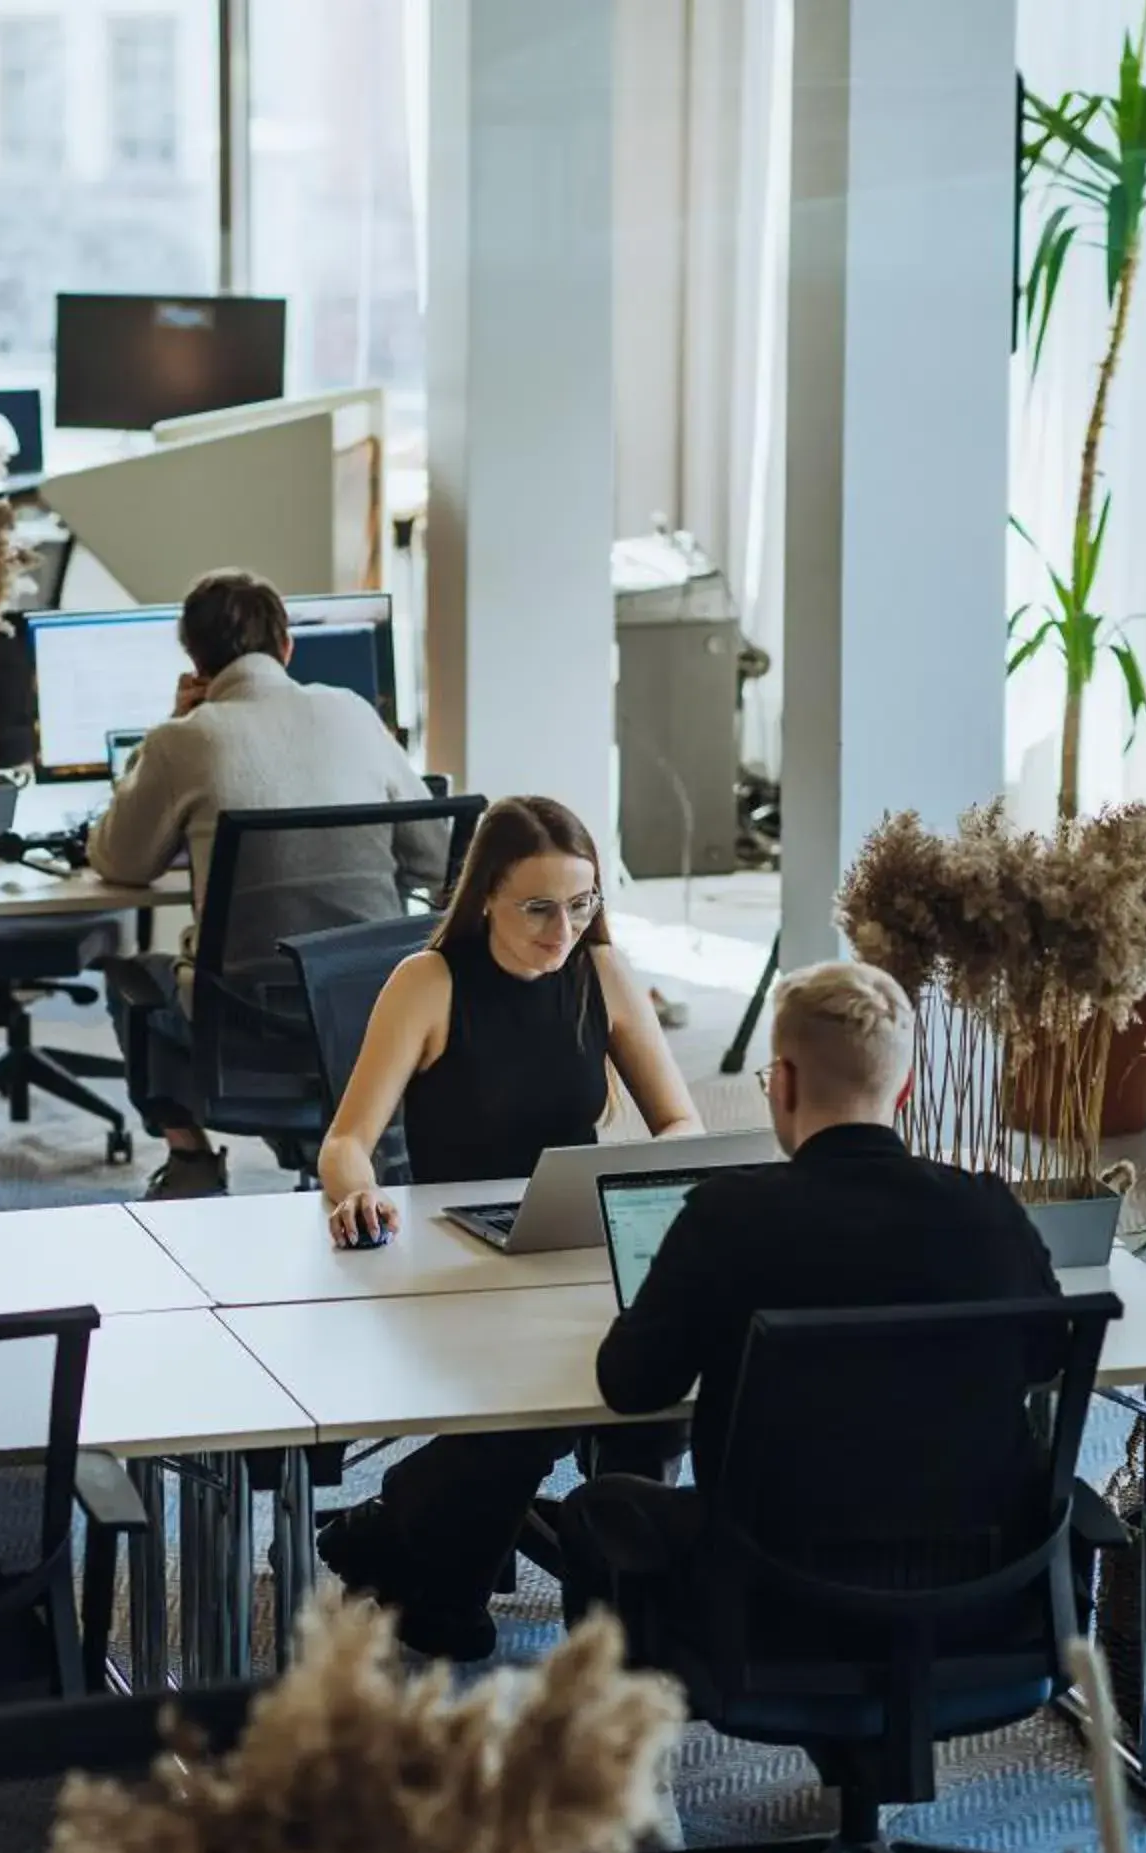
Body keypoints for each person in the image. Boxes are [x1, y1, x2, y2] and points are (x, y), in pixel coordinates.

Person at [307, 796, 704, 1658]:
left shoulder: (601, 974)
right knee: (453, 1618)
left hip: (577, 1243)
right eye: (539, 907)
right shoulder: (429, 982)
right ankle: (408, 1528)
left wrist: (646, 1179)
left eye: (583, 904)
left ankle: (607, 1610)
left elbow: (680, 1125)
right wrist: (355, 1193)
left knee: (659, 1391)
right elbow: (345, 1141)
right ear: (486, 894)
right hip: (460, 1258)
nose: (563, 929)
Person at [571, 960, 1062, 1604]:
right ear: (906, 1089)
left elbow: (631, 1386)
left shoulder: (728, 1216)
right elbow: (1048, 1356)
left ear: (782, 1082)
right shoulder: (990, 1210)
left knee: (596, 1509)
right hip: (975, 1591)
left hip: (770, 1596)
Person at [87, 569, 449, 1200]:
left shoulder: (183, 739)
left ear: (194, 658)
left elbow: (122, 861)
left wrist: (167, 733)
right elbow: (438, 858)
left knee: (134, 976)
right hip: (375, 1014)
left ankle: (192, 1160)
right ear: (287, 647)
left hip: (249, 1023)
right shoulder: (353, 714)